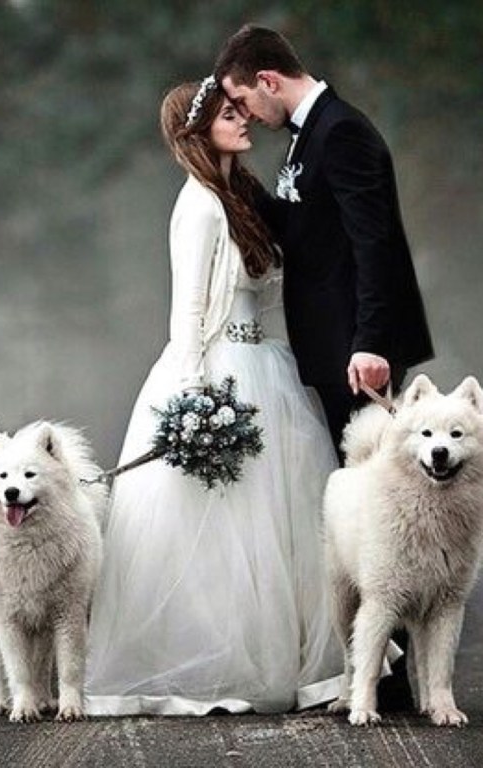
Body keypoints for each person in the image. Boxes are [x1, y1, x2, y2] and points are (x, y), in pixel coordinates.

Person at [85, 79, 345, 716]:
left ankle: (288, 659)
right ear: (199, 131)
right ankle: (217, 663)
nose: (244, 119)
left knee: (278, 519)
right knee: (223, 525)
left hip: (265, 365)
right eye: (230, 115)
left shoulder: (240, 196)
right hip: (219, 370)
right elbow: (190, 310)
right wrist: (197, 398)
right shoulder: (200, 205)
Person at [213, 24, 433, 457]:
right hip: (332, 345)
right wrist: (232, 177)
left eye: (242, 100)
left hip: (357, 352)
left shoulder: (340, 132)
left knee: (368, 485)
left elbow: (375, 242)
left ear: (268, 81)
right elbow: (301, 228)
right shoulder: (310, 132)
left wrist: (370, 342)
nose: (246, 115)